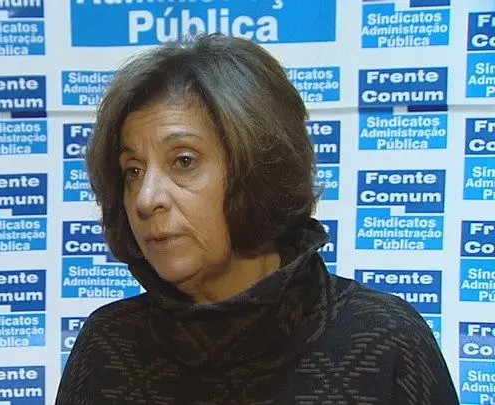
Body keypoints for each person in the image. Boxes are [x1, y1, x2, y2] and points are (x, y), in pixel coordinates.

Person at [55, 33, 459, 404]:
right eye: (133, 170)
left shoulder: (386, 341)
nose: (146, 199)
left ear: (261, 169)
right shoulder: (107, 347)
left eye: (183, 161)